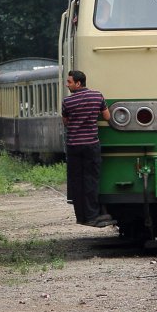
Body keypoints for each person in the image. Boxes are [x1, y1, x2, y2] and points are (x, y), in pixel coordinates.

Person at [61, 70, 113, 228]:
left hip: (73, 146)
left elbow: (66, 122)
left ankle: (81, 217)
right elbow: (107, 117)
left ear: (78, 83)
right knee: (90, 180)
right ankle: (92, 216)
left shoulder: (67, 101)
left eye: (69, 82)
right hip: (91, 144)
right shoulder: (97, 96)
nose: (67, 85)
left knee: (76, 182)